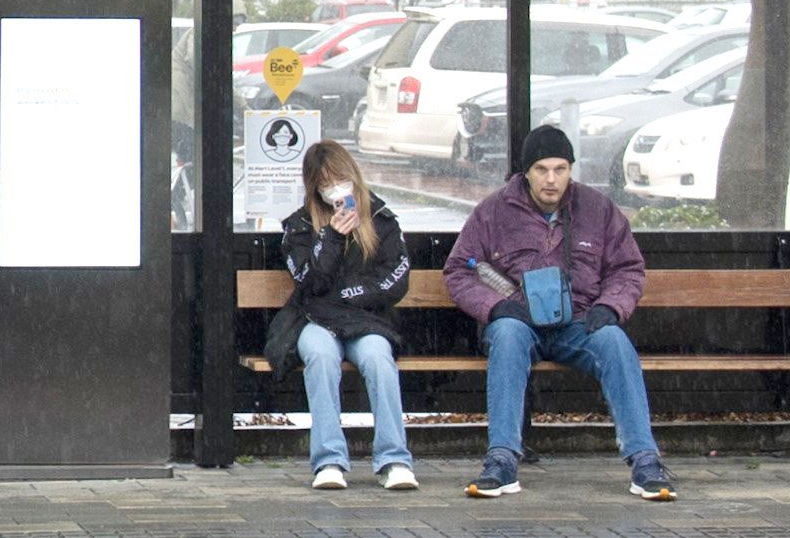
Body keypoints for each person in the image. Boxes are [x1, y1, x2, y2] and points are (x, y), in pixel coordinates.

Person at [444, 126, 672, 502]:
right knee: (505, 336)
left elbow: (628, 269)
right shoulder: (493, 211)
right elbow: (459, 270)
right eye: (541, 169)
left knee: (615, 342)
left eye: (561, 169)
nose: (552, 179)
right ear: (525, 171)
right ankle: (501, 460)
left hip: (581, 321)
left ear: (570, 169)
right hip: (520, 320)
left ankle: (645, 460)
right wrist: (496, 306)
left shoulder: (598, 209)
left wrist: (610, 306)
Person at [272, 141, 417, 492]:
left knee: (378, 358)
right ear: (313, 187)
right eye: (325, 182)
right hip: (315, 320)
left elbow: (394, 278)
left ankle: (394, 459)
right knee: (320, 357)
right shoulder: (300, 226)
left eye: (340, 178)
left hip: (366, 320)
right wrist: (332, 237)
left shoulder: (381, 218)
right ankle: (329, 461)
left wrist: (352, 296)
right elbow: (310, 283)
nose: (335, 188)